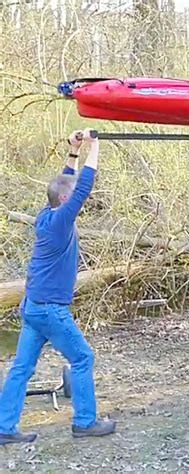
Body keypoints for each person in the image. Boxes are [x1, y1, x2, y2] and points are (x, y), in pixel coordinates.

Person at [0, 129, 116, 445]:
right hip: (50, 309)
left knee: (22, 368)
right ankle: (85, 422)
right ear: (65, 201)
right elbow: (83, 187)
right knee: (83, 358)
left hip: (33, 307)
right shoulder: (62, 221)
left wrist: (74, 151)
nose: (75, 198)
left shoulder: (46, 215)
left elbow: (66, 183)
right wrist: (95, 144)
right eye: (71, 197)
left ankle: (4, 428)